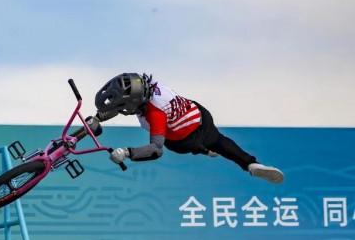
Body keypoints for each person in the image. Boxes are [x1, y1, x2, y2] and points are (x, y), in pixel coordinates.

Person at [94, 72, 284, 183]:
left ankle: (204, 150)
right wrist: (98, 117)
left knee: (180, 144)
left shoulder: (155, 115)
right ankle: (251, 164)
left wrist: (127, 152)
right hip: (200, 115)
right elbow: (121, 105)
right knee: (219, 141)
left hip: (184, 141)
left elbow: (156, 150)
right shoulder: (151, 85)